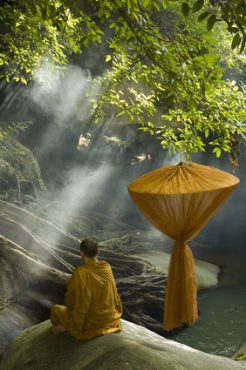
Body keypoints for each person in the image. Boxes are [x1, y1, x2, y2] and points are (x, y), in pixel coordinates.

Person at [50, 238, 122, 340]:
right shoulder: (106, 267)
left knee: (55, 310)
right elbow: (114, 295)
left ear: (81, 253)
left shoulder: (80, 272)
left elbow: (71, 301)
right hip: (110, 318)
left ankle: (66, 328)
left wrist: (72, 314)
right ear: (98, 251)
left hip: (92, 322)